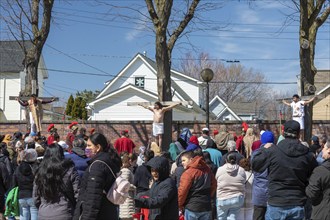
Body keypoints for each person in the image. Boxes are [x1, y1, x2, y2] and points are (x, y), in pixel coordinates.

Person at [252, 120, 317, 220]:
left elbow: (256, 165)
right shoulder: (307, 155)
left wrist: (264, 149)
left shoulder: (273, 151)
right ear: (299, 134)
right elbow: (315, 176)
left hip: (277, 202)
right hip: (297, 201)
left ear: (283, 133)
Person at [73, 133, 122, 220]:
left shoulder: (98, 165)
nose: (86, 148)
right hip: (109, 211)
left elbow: (93, 196)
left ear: (98, 147)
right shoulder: (108, 160)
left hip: (100, 214)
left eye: (89, 146)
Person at [34, 143, 80, 220]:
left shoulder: (40, 172)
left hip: (44, 213)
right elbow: (78, 193)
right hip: (64, 212)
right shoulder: (69, 169)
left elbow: (36, 197)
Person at [135, 156, 178, 220]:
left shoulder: (168, 184)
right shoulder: (157, 182)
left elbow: (159, 201)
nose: (154, 173)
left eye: (157, 171)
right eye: (152, 171)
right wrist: (137, 196)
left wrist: (140, 202)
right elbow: (151, 193)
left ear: (162, 170)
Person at [178, 150, 217, 220]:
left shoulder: (188, 173)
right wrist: (208, 197)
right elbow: (214, 185)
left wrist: (179, 205)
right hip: (206, 206)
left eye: (184, 160)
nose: (182, 163)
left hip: (192, 207)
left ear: (191, 160)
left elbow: (182, 191)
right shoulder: (207, 169)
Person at [251, 131, 274, 220]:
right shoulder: (277, 154)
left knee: (258, 216)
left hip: (258, 192)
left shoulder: (255, 154)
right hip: (273, 192)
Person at [216, 153, 246, 220]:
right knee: (233, 218)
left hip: (222, 198)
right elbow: (244, 181)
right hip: (237, 198)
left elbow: (217, 179)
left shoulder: (220, 169)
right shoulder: (241, 170)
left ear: (226, 160)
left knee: (221, 218)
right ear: (236, 160)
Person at [305, 141, 330, 220]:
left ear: (329, 151)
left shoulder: (320, 171)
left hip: (322, 213)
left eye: (324, 148)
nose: (322, 150)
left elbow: (311, 193)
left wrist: (306, 185)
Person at [12, 149, 39, 220]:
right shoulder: (35, 168)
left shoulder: (18, 168)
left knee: (24, 214)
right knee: (34, 213)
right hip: (33, 194)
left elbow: (14, 182)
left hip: (21, 195)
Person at [119, 154, 135, 220]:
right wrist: (134, 187)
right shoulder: (126, 171)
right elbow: (124, 185)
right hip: (127, 199)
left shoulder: (121, 171)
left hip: (123, 198)